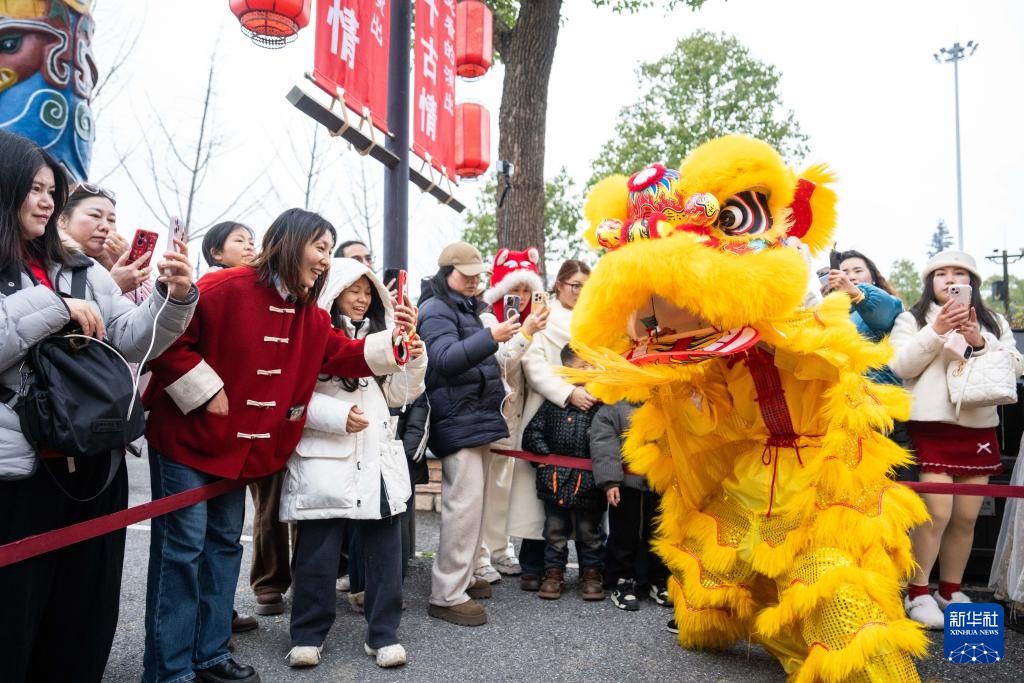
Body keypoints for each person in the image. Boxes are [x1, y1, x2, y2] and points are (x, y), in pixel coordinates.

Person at [141, 208, 414, 683]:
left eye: (330, 250)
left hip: (239, 454)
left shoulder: (308, 311)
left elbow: (341, 356)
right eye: (321, 248)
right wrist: (204, 389)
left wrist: (396, 343)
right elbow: (165, 343)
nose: (326, 261)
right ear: (291, 242)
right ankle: (168, 671)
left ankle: (209, 657)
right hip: (185, 441)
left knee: (224, 547)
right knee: (181, 553)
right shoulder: (223, 287)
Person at [0, 130, 197, 683]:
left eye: (50, 191)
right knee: (16, 612)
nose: (44, 201)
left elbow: (132, 340)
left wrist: (172, 298)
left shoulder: (81, 268)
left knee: (83, 611)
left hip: (95, 457)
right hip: (19, 470)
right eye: (32, 189)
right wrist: (56, 305)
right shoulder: (56, 280)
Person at [280, 257, 426, 669]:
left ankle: (383, 634)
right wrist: (336, 417)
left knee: (385, 553)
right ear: (334, 292)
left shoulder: (383, 334)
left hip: (376, 455)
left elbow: (401, 394)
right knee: (317, 554)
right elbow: (291, 397)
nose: (361, 299)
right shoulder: (313, 332)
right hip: (324, 456)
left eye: (367, 292)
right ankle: (307, 634)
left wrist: (413, 355)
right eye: (353, 291)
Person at [890, 249, 1024, 629]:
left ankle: (950, 590)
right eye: (941, 274)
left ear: (972, 284)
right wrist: (935, 332)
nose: (949, 280)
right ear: (929, 282)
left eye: (959, 274)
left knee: (966, 517)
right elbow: (900, 366)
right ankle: (917, 592)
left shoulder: (993, 320)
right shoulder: (911, 319)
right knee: (936, 513)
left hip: (978, 428)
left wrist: (979, 340)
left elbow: (1015, 366)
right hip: (929, 426)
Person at [419, 241, 518, 626]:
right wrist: (493, 336)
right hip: (456, 418)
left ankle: (464, 577)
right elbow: (444, 360)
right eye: (467, 275)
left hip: (474, 416)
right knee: (462, 506)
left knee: (473, 505)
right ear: (446, 272)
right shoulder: (435, 309)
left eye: (479, 276)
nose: (476, 282)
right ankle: (446, 594)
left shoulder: (466, 307)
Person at [508, 258, 594, 591]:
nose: (580, 293)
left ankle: (588, 568)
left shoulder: (595, 321)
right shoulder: (543, 317)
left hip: (588, 408)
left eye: (587, 288)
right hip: (547, 405)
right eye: (575, 286)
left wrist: (590, 392)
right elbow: (534, 364)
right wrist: (567, 391)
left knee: (584, 491)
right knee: (539, 490)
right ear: (559, 285)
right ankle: (533, 564)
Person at [474, 247, 549, 583]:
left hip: (521, 416)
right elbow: (502, 361)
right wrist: (526, 333)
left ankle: (500, 546)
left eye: (525, 290)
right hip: (492, 414)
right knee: (486, 486)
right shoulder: (487, 319)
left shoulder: (540, 320)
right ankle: (481, 554)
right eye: (513, 289)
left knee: (507, 486)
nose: (519, 297)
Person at [521, 345, 605, 601]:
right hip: (556, 482)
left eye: (592, 366)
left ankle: (591, 576)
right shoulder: (552, 406)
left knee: (590, 533)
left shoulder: (602, 408)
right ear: (567, 371)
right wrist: (544, 459)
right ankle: (553, 574)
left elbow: (610, 442)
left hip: (589, 484)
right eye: (582, 367)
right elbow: (532, 434)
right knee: (554, 532)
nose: (588, 371)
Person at [591, 399, 672, 611]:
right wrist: (610, 481)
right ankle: (622, 579)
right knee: (624, 533)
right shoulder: (612, 409)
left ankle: (658, 578)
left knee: (660, 533)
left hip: (661, 482)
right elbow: (604, 446)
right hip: (626, 484)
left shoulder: (668, 402)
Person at [57, 183, 153, 303]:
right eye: (95, 215)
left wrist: (129, 264)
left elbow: (147, 317)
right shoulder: (48, 260)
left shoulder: (112, 265)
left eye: (112, 220)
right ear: (62, 220)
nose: (106, 226)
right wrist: (114, 286)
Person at [822, 249, 904, 385]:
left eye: (858, 271)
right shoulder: (837, 313)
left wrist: (857, 294)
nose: (851, 277)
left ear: (873, 279)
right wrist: (829, 304)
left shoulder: (890, 303)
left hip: (881, 395)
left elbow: (880, 310)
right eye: (845, 273)